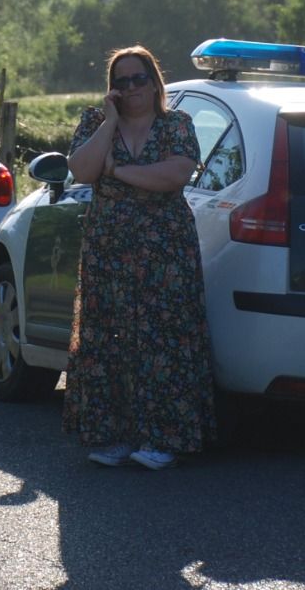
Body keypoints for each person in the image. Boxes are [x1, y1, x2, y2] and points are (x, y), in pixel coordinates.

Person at [63, 44, 215, 470]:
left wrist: (118, 171)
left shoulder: (176, 124)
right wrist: (109, 123)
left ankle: (162, 437)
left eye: (138, 79)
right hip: (108, 248)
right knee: (107, 338)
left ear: (154, 83)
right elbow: (82, 170)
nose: (130, 88)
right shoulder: (96, 123)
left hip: (163, 250)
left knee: (162, 339)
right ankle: (111, 436)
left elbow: (174, 175)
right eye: (121, 82)